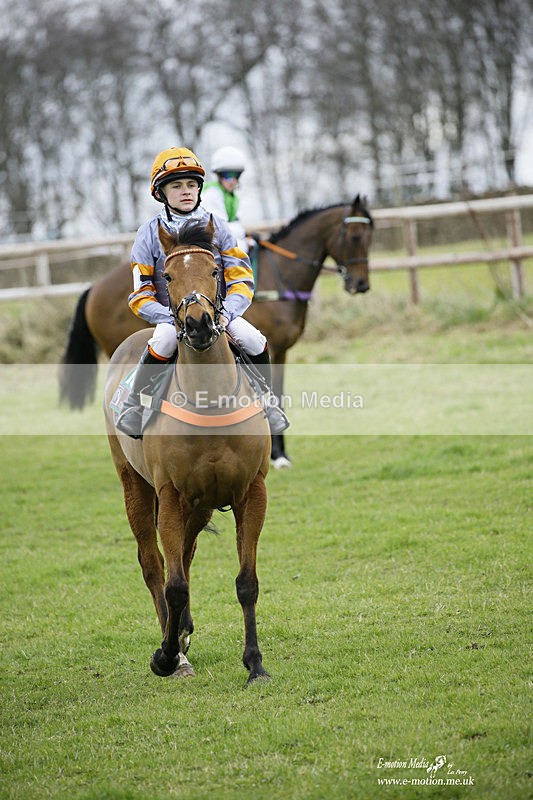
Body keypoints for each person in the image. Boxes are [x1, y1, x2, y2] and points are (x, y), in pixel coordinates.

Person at [115, 146, 289, 439]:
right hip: (172, 317)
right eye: (177, 185)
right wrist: (169, 316)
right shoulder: (148, 233)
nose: (187, 191)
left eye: (192, 185)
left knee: (253, 339)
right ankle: (135, 405)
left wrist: (226, 313)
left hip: (218, 313)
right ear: (161, 192)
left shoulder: (218, 226)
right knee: (165, 341)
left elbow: (242, 278)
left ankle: (268, 403)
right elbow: (140, 292)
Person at [201, 146, 256, 255]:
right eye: (227, 176)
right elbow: (221, 229)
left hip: (222, 240)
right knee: (241, 248)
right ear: (219, 176)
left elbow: (234, 223)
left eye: (235, 175)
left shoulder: (232, 197)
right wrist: (243, 238)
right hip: (208, 244)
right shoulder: (212, 194)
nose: (232, 181)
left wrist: (246, 236)